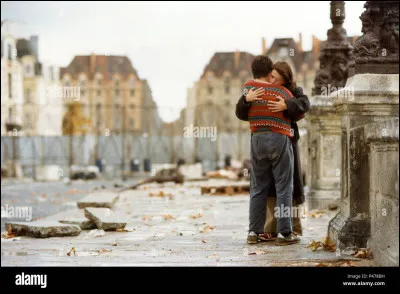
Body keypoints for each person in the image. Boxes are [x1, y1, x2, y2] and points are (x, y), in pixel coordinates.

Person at [237, 61, 310, 242]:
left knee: (258, 188)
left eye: (276, 78)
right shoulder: (280, 92)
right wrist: (246, 100)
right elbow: (302, 114)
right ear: (269, 73)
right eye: (272, 77)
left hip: (260, 138)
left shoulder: (250, 88)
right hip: (280, 139)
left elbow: (303, 105)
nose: (272, 80)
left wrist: (287, 105)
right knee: (284, 187)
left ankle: (253, 232)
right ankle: (284, 233)